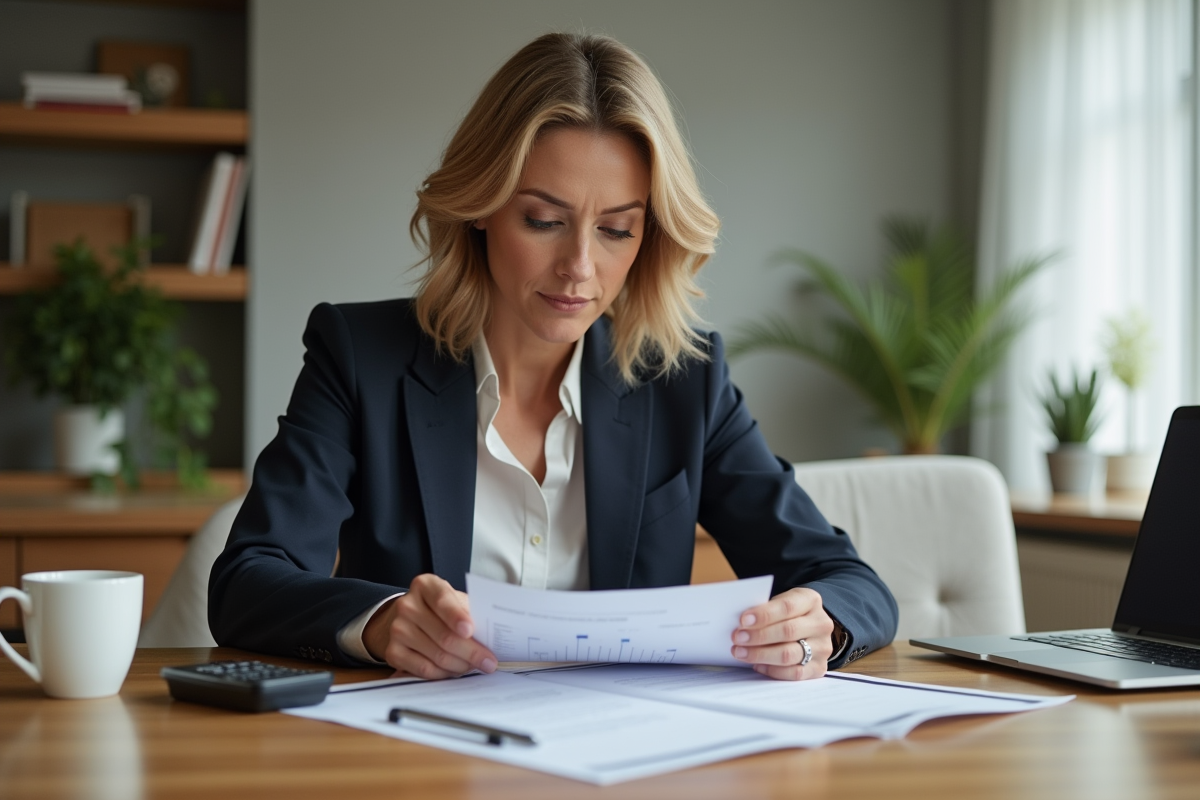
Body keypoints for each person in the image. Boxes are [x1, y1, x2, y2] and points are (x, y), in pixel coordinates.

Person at [209, 32, 897, 681]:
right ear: (481, 205)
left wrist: (819, 623)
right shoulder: (361, 358)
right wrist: (381, 621)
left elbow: (851, 583)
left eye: (617, 230)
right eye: (543, 221)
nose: (580, 268)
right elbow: (247, 581)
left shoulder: (685, 380)